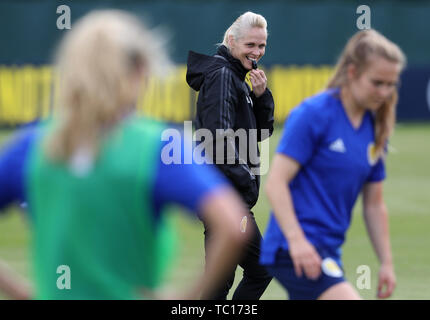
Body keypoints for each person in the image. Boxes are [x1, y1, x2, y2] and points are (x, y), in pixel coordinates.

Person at [0, 10, 249, 300]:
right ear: (141, 69)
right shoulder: (156, 146)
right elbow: (232, 225)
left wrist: (23, 292)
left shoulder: (32, 145)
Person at [260, 29, 406, 300]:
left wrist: (386, 262)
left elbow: (374, 204)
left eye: (391, 84)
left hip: (327, 252)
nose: (384, 92)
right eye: (377, 83)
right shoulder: (313, 114)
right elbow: (276, 183)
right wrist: (297, 241)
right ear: (352, 73)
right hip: (292, 249)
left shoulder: (375, 130)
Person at [186, 11, 274, 300]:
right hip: (225, 194)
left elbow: (260, 134)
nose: (257, 52)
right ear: (232, 41)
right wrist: (246, 180)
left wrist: (261, 97)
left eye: (261, 46)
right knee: (259, 268)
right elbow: (217, 138)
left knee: (221, 280)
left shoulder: (238, 78)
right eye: (250, 45)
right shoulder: (224, 75)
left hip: (224, 193)